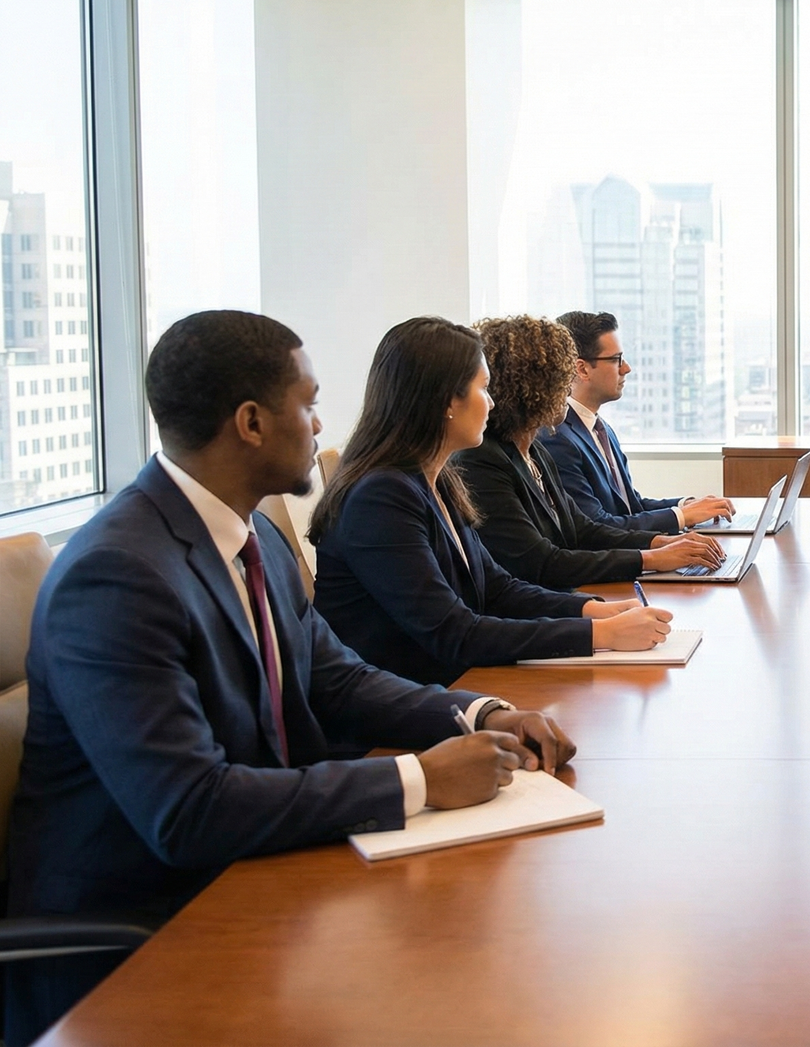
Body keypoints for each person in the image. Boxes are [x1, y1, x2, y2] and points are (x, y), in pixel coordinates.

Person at [6, 310, 578, 1045]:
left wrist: (479, 713)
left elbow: (337, 678)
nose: (320, 424)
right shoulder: (117, 575)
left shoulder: (253, 539)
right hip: (145, 939)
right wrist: (419, 780)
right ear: (250, 422)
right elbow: (189, 810)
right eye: (307, 403)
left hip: (254, 876)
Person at [311, 316, 674, 686]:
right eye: (483, 389)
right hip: (412, 702)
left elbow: (498, 589)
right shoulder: (381, 497)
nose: (492, 401)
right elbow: (456, 633)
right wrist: (602, 635)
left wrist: (593, 611)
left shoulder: (438, 479)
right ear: (445, 400)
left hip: (453, 682)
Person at [454, 315, 725, 588]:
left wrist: (663, 542)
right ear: (532, 388)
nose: (567, 388)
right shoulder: (483, 459)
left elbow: (582, 529)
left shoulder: (534, 450)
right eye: (561, 378)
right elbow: (540, 562)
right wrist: (650, 559)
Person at [538, 310, 735, 533]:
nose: (626, 368)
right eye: (616, 360)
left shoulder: (601, 429)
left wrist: (685, 506)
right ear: (582, 369)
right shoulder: (557, 438)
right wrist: (680, 517)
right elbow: (596, 526)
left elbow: (630, 507)